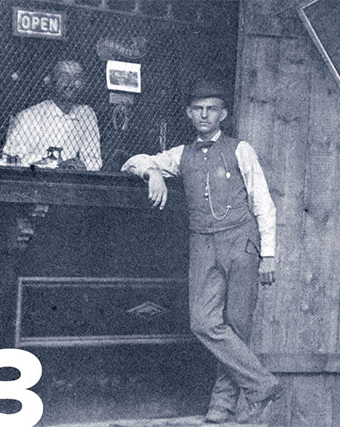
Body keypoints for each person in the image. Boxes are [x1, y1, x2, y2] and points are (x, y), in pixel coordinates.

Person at [121, 80, 283, 424]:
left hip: (242, 244)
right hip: (203, 246)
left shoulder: (242, 150)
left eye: (211, 109)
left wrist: (268, 254)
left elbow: (263, 203)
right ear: (189, 113)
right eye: (197, 109)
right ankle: (263, 385)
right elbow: (131, 162)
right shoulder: (182, 154)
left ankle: (221, 408)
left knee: (236, 329)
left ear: (222, 114)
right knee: (205, 323)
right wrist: (153, 173)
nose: (204, 114)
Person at [3, 60, 102, 170]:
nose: (71, 83)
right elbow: (10, 159)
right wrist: (55, 165)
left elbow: (94, 160)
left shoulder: (86, 114)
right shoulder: (29, 116)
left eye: (77, 77)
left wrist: (82, 166)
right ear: (52, 81)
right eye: (64, 77)